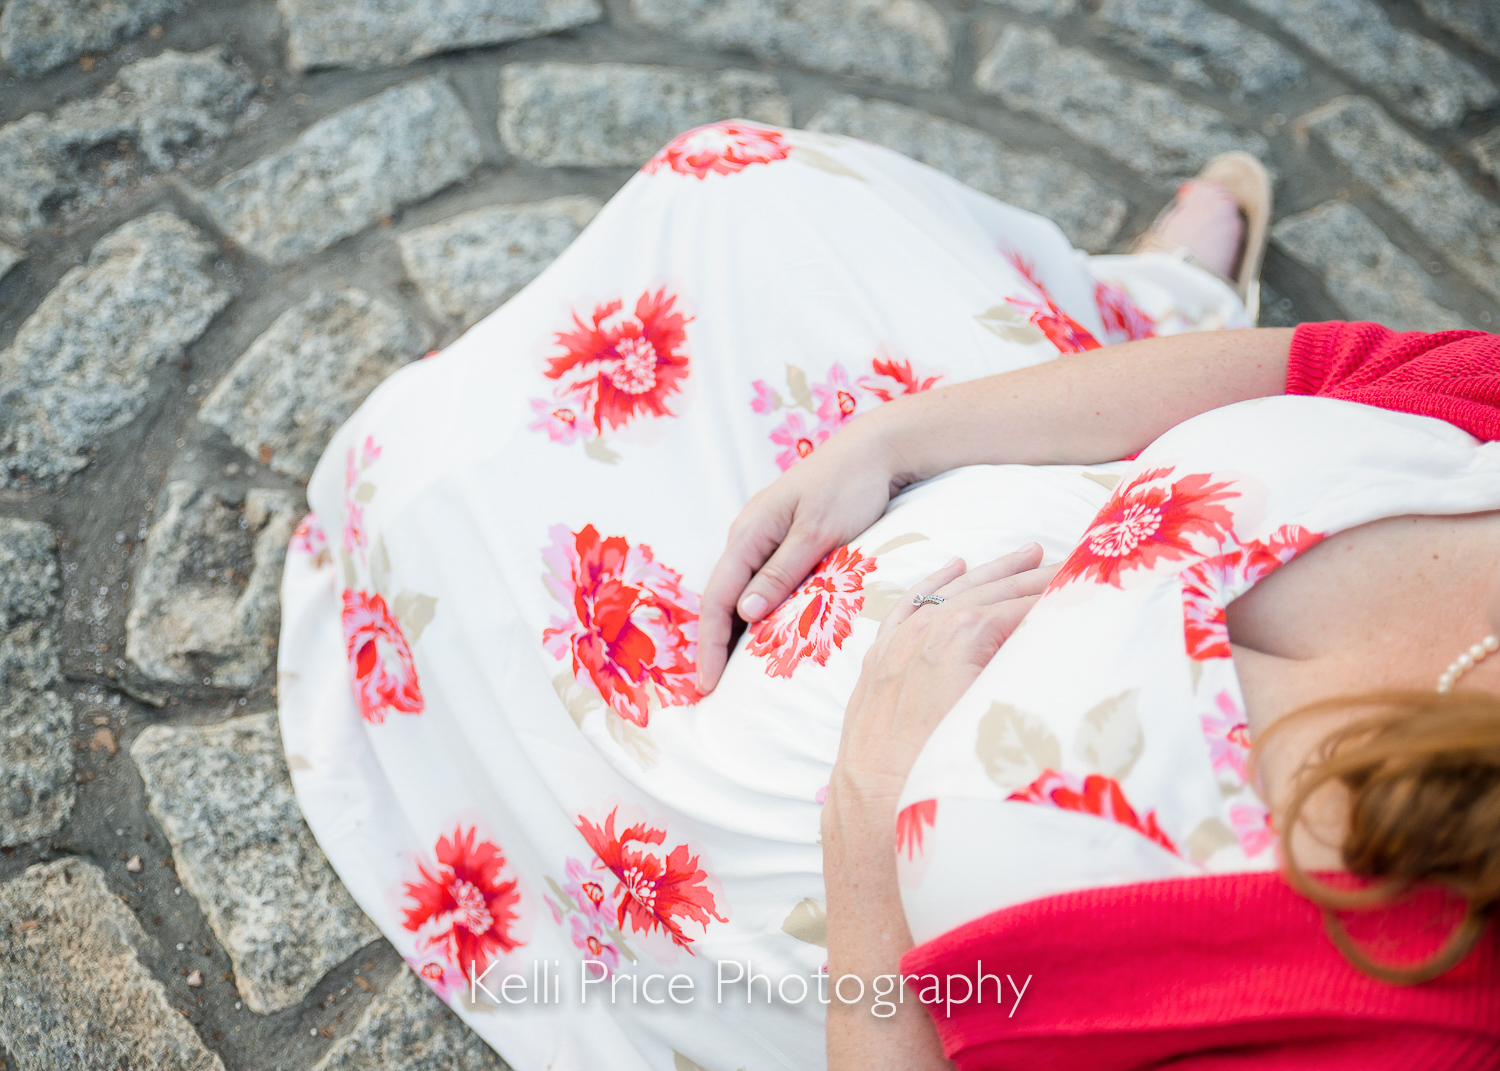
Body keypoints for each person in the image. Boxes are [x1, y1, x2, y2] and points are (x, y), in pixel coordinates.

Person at [276, 119, 1500, 1071]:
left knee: (420, 477)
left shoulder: (1431, 1022)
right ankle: (1133, 302)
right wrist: (891, 443)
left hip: (783, 844)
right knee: (732, 184)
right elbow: (1339, 369)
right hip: (994, 470)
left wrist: (866, 832)